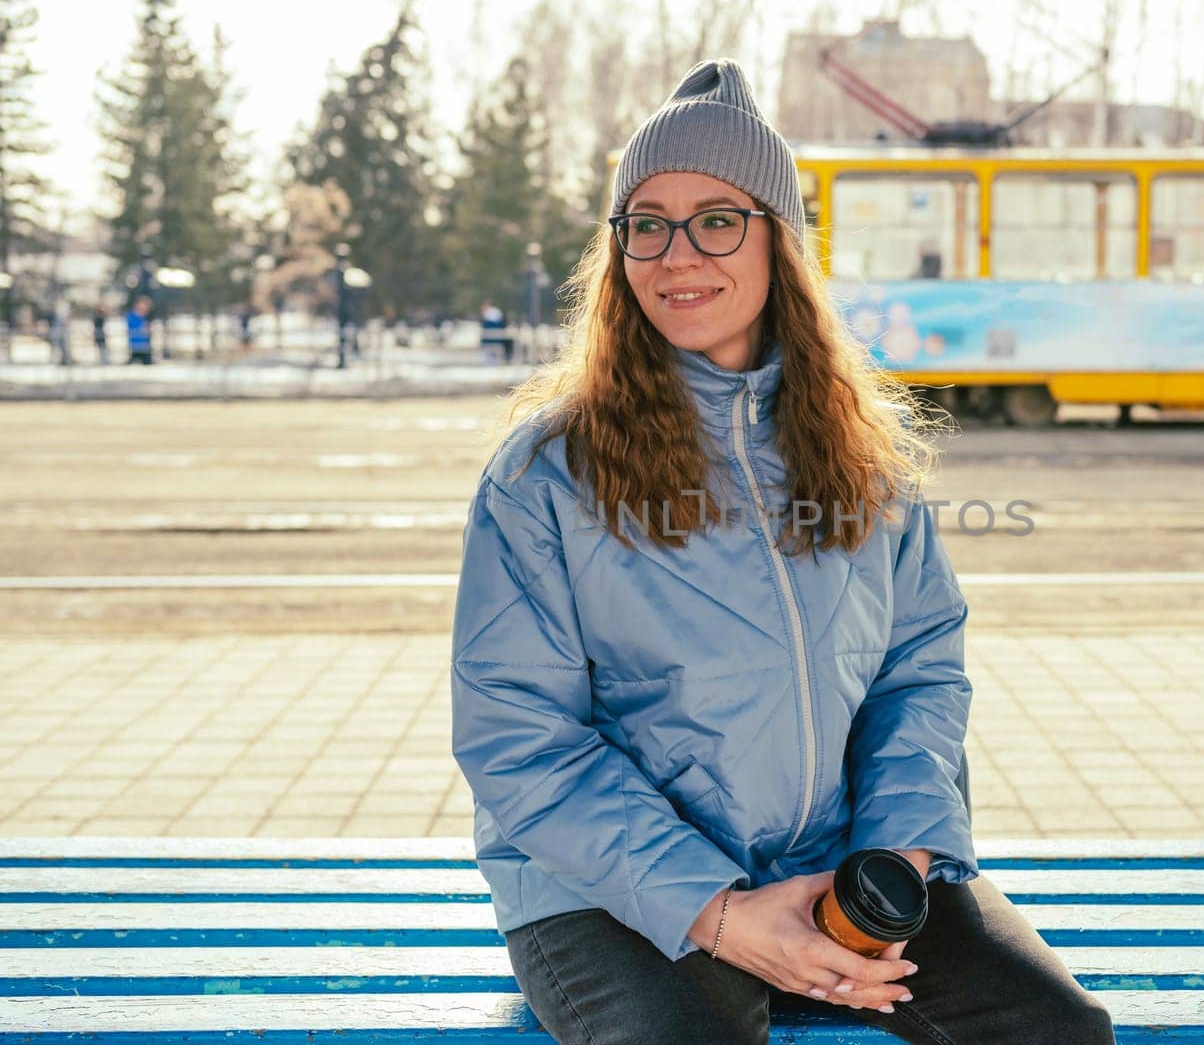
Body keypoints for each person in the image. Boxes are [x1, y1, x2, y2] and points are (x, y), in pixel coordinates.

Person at [450, 59, 1116, 1045]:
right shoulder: (545, 472)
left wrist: (897, 853)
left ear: (779, 242)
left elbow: (917, 664)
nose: (678, 254)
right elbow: (517, 733)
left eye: (717, 219)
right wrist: (717, 911)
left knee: (1053, 1031)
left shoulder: (860, 445)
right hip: (611, 889)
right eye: (647, 222)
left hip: (839, 862)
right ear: (618, 248)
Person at [126, 297, 153, 365]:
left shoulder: (143, 318)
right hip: (137, 346)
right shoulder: (132, 316)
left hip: (144, 346)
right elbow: (142, 330)